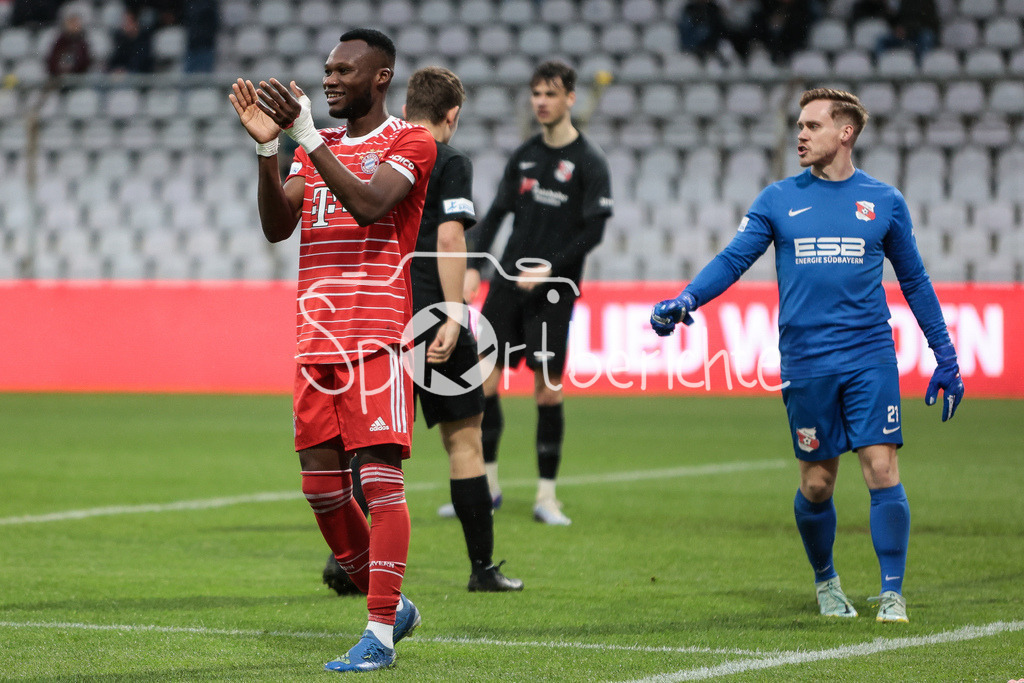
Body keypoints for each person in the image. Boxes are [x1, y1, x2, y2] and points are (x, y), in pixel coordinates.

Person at [650, 88, 965, 624]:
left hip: (869, 355)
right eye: (799, 125)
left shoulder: (883, 201)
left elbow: (914, 280)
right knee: (817, 483)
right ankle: (827, 582)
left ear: (846, 133)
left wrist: (946, 354)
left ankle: (892, 592)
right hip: (806, 361)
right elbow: (733, 260)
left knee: (881, 467)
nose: (800, 134)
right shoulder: (777, 199)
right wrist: (687, 298)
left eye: (813, 125)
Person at [229, 27, 437, 672]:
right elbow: (275, 225)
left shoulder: (411, 141)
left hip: (372, 338)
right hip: (313, 342)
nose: (330, 79)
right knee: (321, 490)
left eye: (345, 70)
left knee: (379, 482)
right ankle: (391, 603)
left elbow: (373, 205)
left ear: (381, 77)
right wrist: (270, 149)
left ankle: (378, 632)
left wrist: (309, 139)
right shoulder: (311, 151)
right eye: (327, 69)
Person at [464, 60, 613, 527]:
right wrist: (474, 264)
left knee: (546, 391)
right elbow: (496, 215)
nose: (541, 102)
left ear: (570, 98)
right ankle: (486, 486)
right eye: (536, 94)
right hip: (507, 282)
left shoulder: (590, 163)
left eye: (550, 94)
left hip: (553, 292)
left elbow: (593, 231)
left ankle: (547, 496)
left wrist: (551, 268)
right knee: (485, 381)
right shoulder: (524, 155)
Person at [46, 10, 92, 78]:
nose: (74, 26)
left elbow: (86, 63)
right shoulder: (59, 42)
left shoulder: (83, 43)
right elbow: (52, 62)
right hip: (59, 79)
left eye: (76, 23)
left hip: (79, 79)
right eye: (71, 23)